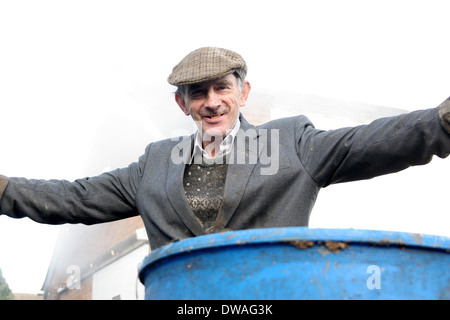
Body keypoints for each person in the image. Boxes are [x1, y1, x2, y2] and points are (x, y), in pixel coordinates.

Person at [1, 47, 450, 250]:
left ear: (244, 91)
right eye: (198, 93)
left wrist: (441, 122)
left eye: (222, 88)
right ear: (183, 104)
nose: (211, 101)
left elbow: (370, 142)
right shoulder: (153, 164)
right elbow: (72, 198)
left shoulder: (291, 143)